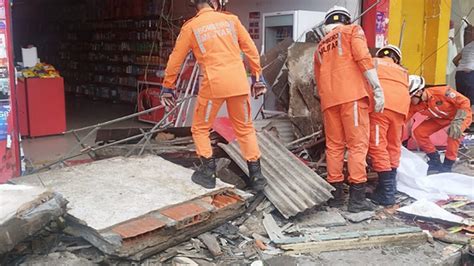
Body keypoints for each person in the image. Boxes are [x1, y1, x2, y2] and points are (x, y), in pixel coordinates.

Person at [161, 0, 267, 190]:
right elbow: (251, 50)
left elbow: (175, 60)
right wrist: (258, 78)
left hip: (214, 85)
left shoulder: (191, 27)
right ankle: (257, 176)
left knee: (200, 128)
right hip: (238, 83)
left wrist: (168, 86)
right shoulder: (232, 20)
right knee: (244, 128)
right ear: (214, 2)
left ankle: (208, 172)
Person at [314, 6, 385, 213]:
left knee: (334, 147)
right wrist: (377, 88)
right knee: (357, 146)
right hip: (352, 97)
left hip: (329, 101)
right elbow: (363, 58)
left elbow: (318, 80)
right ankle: (356, 200)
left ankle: (336, 197)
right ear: (346, 19)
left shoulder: (320, 46)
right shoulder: (353, 31)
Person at [368, 45, 410, 206]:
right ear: (397, 58)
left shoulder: (374, 62)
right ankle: (388, 188)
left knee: (378, 146)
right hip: (401, 111)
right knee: (393, 146)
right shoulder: (404, 71)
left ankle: (386, 193)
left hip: (381, 108)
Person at [407, 75, 472, 173]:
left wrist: (458, 120)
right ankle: (434, 158)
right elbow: (404, 118)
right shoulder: (415, 104)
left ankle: (448, 163)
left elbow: (464, 102)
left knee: (454, 132)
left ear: (419, 92)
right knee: (419, 132)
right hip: (440, 118)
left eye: (411, 97)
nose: (410, 100)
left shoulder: (443, 92)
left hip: (459, 115)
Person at [453, 37, 473, 109]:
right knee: (469, 100)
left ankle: (462, 117)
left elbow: (455, 60)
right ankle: (467, 117)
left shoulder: (467, 46)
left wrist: (462, 68)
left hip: (460, 74)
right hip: (470, 73)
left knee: (462, 99)